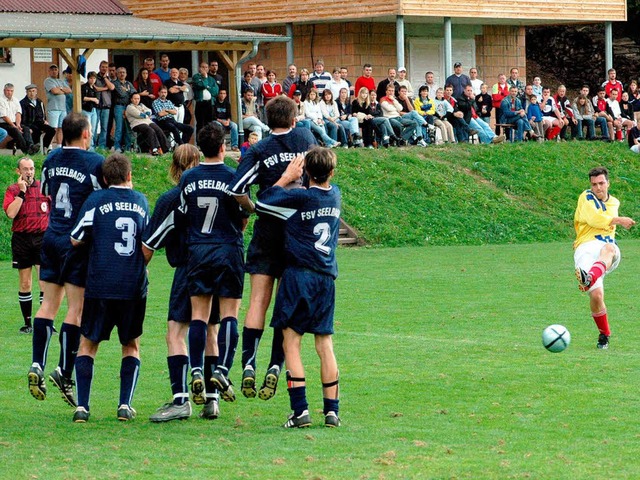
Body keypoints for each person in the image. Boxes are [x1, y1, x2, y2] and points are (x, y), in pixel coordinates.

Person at [229, 95, 317, 401]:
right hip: (297, 233)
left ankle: (249, 363)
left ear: (267, 121)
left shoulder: (259, 150)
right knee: (284, 304)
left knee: (257, 302)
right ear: (294, 119)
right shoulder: (305, 137)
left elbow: (237, 189)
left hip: (267, 231)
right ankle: (276, 366)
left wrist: (252, 208)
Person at [255, 148, 341, 428]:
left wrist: (285, 176)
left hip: (298, 276)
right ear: (331, 173)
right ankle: (332, 412)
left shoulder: (300, 197)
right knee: (324, 344)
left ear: (305, 173)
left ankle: (300, 411)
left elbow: (264, 200)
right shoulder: (335, 194)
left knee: (291, 342)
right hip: (326, 278)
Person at [27, 112, 105, 408]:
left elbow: (47, 194)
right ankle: (63, 370)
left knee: (48, 304)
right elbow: (101, 199)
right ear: (85, 133)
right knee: (77, 308)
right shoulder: (95, 162)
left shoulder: (51, 160)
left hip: (51, 236)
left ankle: (37, 363)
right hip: (77, 241)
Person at [143, 144, 223, 421]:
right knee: (211, 330)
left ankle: (180, 400)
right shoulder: (218, 190)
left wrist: (137, 269)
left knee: (176, 331)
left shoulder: (172, 198)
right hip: (216, 266)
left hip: (188, 269)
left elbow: (150, 243)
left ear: (175, 168)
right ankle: (212, 400)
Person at [70, 153, 149, 423]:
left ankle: (82, 407)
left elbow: (75, 238)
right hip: (132, 285)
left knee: (88, 344)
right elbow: (147, 246)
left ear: (104, 179)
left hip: (100, 283)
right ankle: (125, 405)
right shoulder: (140, 201)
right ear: (129, 176)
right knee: (131, 345)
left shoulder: (95, 200)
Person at [177, 122, 247, 404]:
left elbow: (183, 215)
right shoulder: (234, 177)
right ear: (222, 147)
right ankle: (220, 369)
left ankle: (195, 370)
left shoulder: (189, 179)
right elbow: (243, 217)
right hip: (228, 248)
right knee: (229, 314)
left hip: (199, 250)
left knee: (199, 315)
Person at [574, 166, 635, 350]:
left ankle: (589, 277)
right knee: (596, 295)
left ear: (608, 183)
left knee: (610, 248)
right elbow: (594, 219)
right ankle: (604, 335)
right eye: (594, 184)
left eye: (601, 183)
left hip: (605, 250)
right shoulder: (585, 197)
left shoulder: (614, 202)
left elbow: (604, 217)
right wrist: (618, 220)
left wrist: (614, 219)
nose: (598, 188)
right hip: (585, 248)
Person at [3, 157, 50, 334]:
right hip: (22, 240)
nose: (29, 172)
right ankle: (28, 323)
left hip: (42, 238)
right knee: (25, 283)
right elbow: (11, 213)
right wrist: (21, 194)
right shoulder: (13, 190)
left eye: (31, 169)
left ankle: (45, 322)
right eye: (25, 169)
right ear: (18, 171)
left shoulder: (44, 188)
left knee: (44, 281)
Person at [1, 83, 40, 155]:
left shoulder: (15, 100)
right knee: (15, 130)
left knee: (25, 128)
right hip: (3, 123)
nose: (9, 92)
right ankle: (27, 151)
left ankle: (31, 145)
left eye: (11, 91)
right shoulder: (1, 100)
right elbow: (4, 116)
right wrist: (14, 126)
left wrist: (18, 124)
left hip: (14, 123)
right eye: (7, 91)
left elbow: (18, 113)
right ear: (4, 91)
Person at [20, 84, 56, 154]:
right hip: (29, 123)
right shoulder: (23, 103)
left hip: (39, 122)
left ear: (36, 92)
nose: (32, 93)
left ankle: (44, 146)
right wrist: (26, 127)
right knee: (37, 131)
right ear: (26, 92)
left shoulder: (40, 102)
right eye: (29, 91)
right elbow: (23, 116)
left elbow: (43, 112)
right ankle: (35, 149)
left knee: (52, 130)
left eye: (33, 91)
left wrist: (44, 120)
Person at [44, 64, 71, 147]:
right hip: (53, 108)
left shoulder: (61, 81)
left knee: (61, 128)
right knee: (53, 129)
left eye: (55, 69)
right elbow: (54, 91)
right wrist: (62, 89)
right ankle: (49, 147)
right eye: (52, 70)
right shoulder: (48, 80)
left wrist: (60, 89)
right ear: (49, 71)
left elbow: (69, 90)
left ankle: (59, 146)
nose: (54, 71)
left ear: (58, 71)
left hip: (63, 108)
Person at [192, 62, 219, 137]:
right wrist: (204, 78)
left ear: (208, 68)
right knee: (200, 123)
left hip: (210, 103)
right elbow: (201, 85)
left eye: (206, 67)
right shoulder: (196, 77)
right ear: (199, 68)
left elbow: (215, 91)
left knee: (209, 123)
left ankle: (208, 140)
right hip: (200, 103)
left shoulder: (211, 79)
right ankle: (199, 141)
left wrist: (207, 86)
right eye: (202, 67)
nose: (204, 69)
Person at [113, 67, 135, 152]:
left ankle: (127, 148)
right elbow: (121, 94)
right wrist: (128, 91)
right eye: (120, 72)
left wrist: (127, 90)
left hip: (128, 107)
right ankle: (117, 147)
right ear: (117, 74)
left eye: (123, 72)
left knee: (127, 127)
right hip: (119, 106)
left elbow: (134, 93)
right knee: (119, 128)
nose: (122, 74)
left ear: (126, 74)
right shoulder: (115, 83)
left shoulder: (128, 83)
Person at [95, 60, 116, 149]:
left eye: (106, 67)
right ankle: (93, 145)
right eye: (103, 67)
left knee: (104, 128)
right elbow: (94, 88)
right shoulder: (94, 77)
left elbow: (111, 87)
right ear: (99, 67)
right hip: (96, 106)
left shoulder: (109, 78)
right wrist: (104, 88)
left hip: (106, 106)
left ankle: (102, 146)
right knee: (94, 127)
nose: (104, 69)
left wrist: (105, 78)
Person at [81, 72, 100, 148]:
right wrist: (93, 99)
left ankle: (91, 144)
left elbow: (97, 99)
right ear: (88, 78)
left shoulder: (95, 88)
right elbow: (83, 97)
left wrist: (96, 100)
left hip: (94, 109)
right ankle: (88, 145)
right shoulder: (84, 87)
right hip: (86, 109)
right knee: (88, 127)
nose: (92, 80)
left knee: (93, 128)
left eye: (94, 78)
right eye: (91, 78)